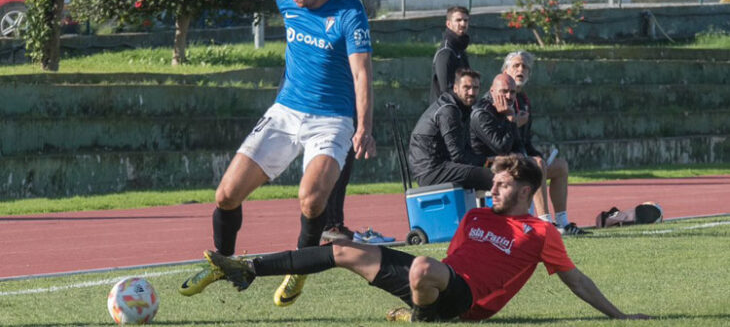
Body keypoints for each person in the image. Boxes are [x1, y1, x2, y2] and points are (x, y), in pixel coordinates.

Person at [203, 154, 651, 322]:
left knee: (421, 268)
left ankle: (423, 318)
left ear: (527, 192)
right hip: (440, 282)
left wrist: (620, 316)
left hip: (468, 302)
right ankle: (249, 270)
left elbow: (576, 280)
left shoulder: (539, 231)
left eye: (502, 184)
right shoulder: (477, 215)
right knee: (340, 249)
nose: (492, 188)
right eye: (493, 182)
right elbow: (451, 261)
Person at [178, 0, 377, 307]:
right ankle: (224, 263)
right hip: (286, 111)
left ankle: (300, 266)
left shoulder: (349, 11)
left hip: (332, 120)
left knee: (312, 199)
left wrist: (363, 127)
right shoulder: (287, 3)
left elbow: (361, 74)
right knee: (226, 194)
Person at [500, 50, 587, 235]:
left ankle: (563, 222)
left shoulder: (523, 99)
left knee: (560, 166)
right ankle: (545, 223)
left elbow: (525, 140)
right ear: (506, 70)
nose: (520, 69)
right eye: (516, 66)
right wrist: (515, 124)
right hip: (501, 159)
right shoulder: (499, 97)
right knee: (537, 165)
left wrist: (536, 154)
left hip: (521, 156)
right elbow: (499, 140)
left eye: (525, 67)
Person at [409, 68, 492, 191]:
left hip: (438, 167)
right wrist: (487, 161)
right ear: (455, 88)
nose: (471, 92)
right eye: (467, 87)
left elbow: (466, 149)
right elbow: (458, 156)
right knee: (495, 178)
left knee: (494, 174)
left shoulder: (462, 108)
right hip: (431, 170)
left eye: (475, 88)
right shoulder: (449, 110)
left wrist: (489, 161)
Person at [429, 6, 471, 103]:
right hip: (445, 112)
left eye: (466, 20)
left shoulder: (460, 50)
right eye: (458, 20)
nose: (463, 24)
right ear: (448, 24)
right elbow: (446, 91)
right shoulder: (445, 52)